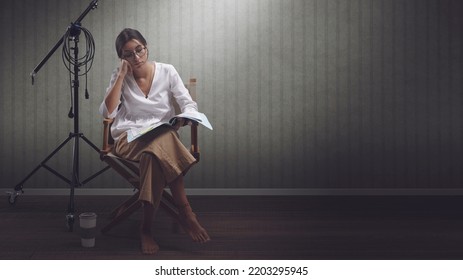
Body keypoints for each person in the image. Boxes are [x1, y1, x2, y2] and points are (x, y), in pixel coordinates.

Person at [99, 28, 210, 254]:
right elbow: (107, 112)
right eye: (128, 54)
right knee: (165, 138)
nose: (136, 58)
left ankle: (146, 229)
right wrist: (120, 76)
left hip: (159, 143)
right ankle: (186, 212)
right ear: (122, 58)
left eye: (139, 50)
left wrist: (182, 117)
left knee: (153, 153)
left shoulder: (167, 71)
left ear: (146, 47)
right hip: (128, 140)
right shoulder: (119, 75)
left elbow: (188, 103)